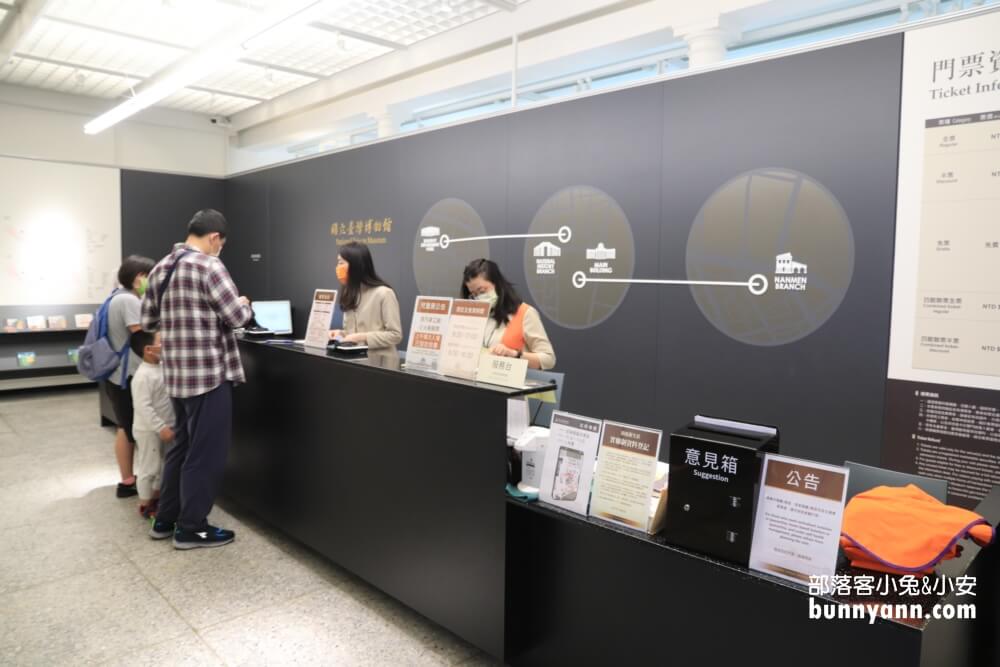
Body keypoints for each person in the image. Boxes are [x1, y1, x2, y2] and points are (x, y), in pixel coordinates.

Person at [141, 209, 253, 549]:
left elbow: (147, 321)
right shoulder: (209, 265)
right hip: (208, 375)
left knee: (182, 447)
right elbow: (235, 317)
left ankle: (166, 519)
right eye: (221, 244)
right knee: (207, 453)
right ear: (215, 238)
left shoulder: (161, 267)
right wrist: (244, 304)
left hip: (176, 374)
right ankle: (192, 527)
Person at [105, 254, 156, 498]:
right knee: (129, 427)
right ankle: (128, 481)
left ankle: (127, 478)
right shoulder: (129, 301)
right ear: (139, 278)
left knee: (124, 425)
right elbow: (143, 336)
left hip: (116, 373)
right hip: (128, 373)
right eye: (149, 276)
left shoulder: (116, 297)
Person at [461, 258, 556, 370]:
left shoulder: (525, 313)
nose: (478, 298)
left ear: (498, 284)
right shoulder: (475, 317)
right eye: (473, 294)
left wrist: (514, 354)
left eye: (482, 291)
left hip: (511, 382)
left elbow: (549, 359)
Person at [129, 330, 174, 519]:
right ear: (149, 349)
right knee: (149, 467)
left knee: (162, 466)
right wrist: (160, 427)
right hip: (149, 430)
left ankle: (156, 499)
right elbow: (143, 407)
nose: (167, 345)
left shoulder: (162, 367)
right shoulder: (142, 376)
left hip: (165, 427)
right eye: (163, 342)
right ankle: (145, 503)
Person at [329, 241, 402, 349]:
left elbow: (395, 335)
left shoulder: (384, 293)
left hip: (379, 361)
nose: (338, 268)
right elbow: (353, 333)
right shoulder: (349, 293)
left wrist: (363, 337)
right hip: (352, 358)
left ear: (356, 265)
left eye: (341, 263)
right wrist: (340, 333)